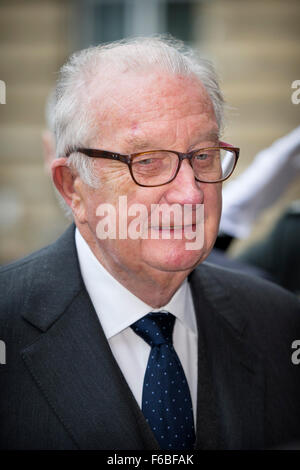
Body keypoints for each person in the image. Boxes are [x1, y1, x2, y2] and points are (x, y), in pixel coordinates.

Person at [0, 37, 299, 451]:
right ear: (73, 187)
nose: (190, 194)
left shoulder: (280, 324)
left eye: (203, 156)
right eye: (148, 162)